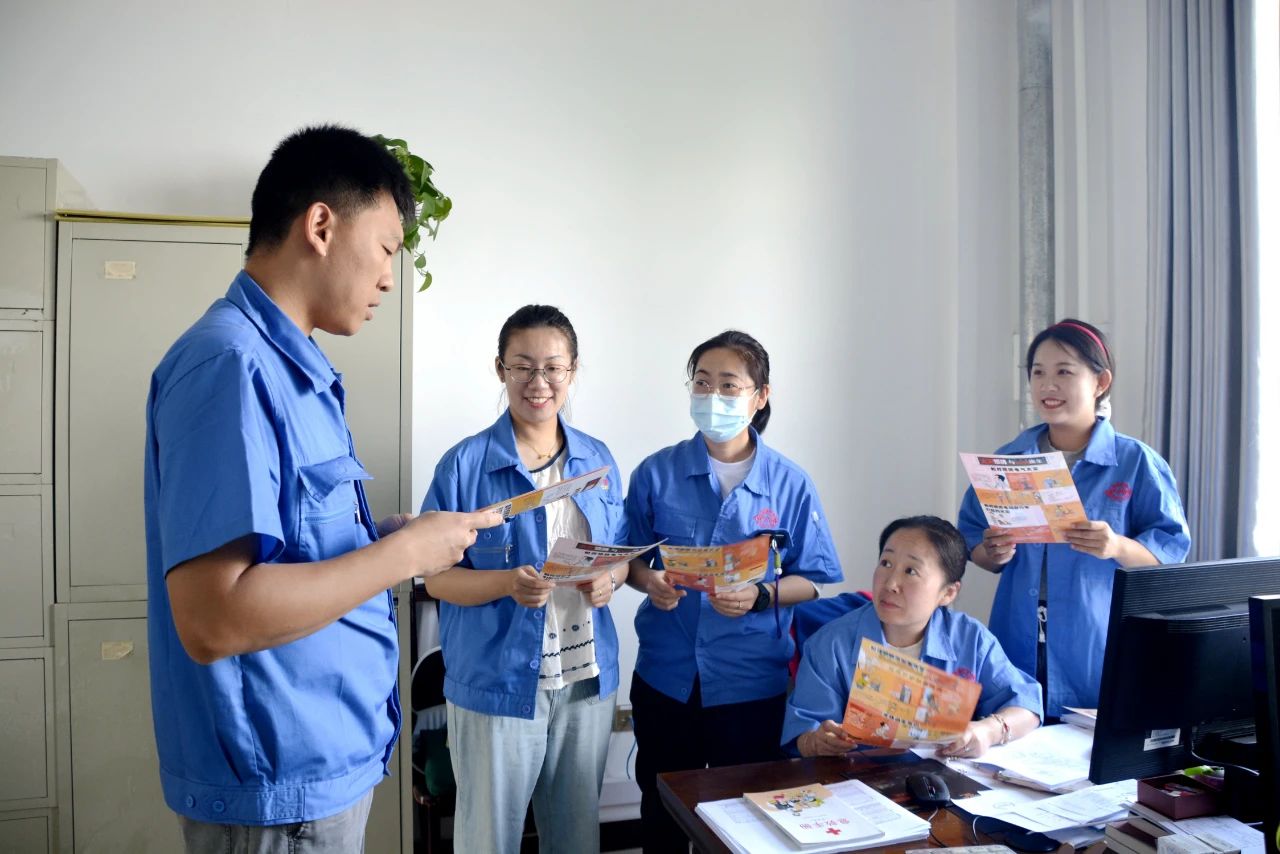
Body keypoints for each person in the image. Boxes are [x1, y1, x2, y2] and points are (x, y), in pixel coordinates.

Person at [143, 125, 501, 852]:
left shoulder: (292, 368)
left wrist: (383, 537)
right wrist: (404, 558)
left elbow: (295, 548)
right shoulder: (231, 365)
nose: (389, 279)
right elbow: (214, 618)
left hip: (319, 771)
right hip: (277, 796)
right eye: (387, 249)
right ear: (320, 225)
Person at [624, 330, 843, 853]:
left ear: (760, 396)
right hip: (667, 675)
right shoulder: (656, 473)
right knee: (662, 809)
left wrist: (761, 594)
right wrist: (649, 581)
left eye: (728, 385)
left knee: (748, 818)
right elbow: (626, 560)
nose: (712, 396)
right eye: (702, 383)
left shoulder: (790, 483)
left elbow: (813, 579)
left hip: (750, 680)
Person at [421, 304, 627, 854]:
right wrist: (505, 584)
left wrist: (610, 579)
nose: (540, 382)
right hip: (497, 682)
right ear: (501, 369)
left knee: (575, 838)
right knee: (489, 840)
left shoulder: (597, 459)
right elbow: (435, 579)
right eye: (523, 366)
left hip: (585, 680)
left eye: (554, 367)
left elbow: (618, 554)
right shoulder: (464, 466)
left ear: (572, 371)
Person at [958, 319, 1191, 717]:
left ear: (1101, 382)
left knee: (1089, 744)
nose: (1048, 385)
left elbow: (1171, 553)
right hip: (1017, 635)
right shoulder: (1008, 460)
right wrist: (991, 553)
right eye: (1038, 373)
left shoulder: (1135, 461)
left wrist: (1116, 545)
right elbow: (971, 539)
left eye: (1064, 372)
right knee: (1012, 733)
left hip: (1095, 641)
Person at [782, 516, 1042, 759]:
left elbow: (1027, 706)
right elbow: (802, 733)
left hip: (945, 777)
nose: (890, 584)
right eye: (886, 563)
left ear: (948, 593)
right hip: (857, 778)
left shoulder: (970, 639)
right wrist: (817, 741)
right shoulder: (831, 644)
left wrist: (988, 731)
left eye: (910, 571)